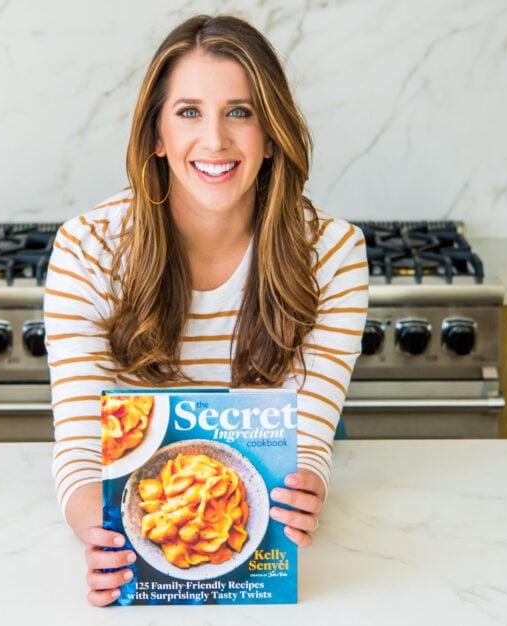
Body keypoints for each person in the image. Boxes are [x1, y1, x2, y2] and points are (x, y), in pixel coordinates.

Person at [43, 14, 368, 606]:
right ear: (157, 137)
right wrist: (107, 539)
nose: (215, 140)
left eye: (240, 112)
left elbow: (308, 444)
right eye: (189, 112)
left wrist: (305, 493)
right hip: (139, 518)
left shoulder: (334, 254)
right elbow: (81, 448)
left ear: (271, 135)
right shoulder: (86, 250)